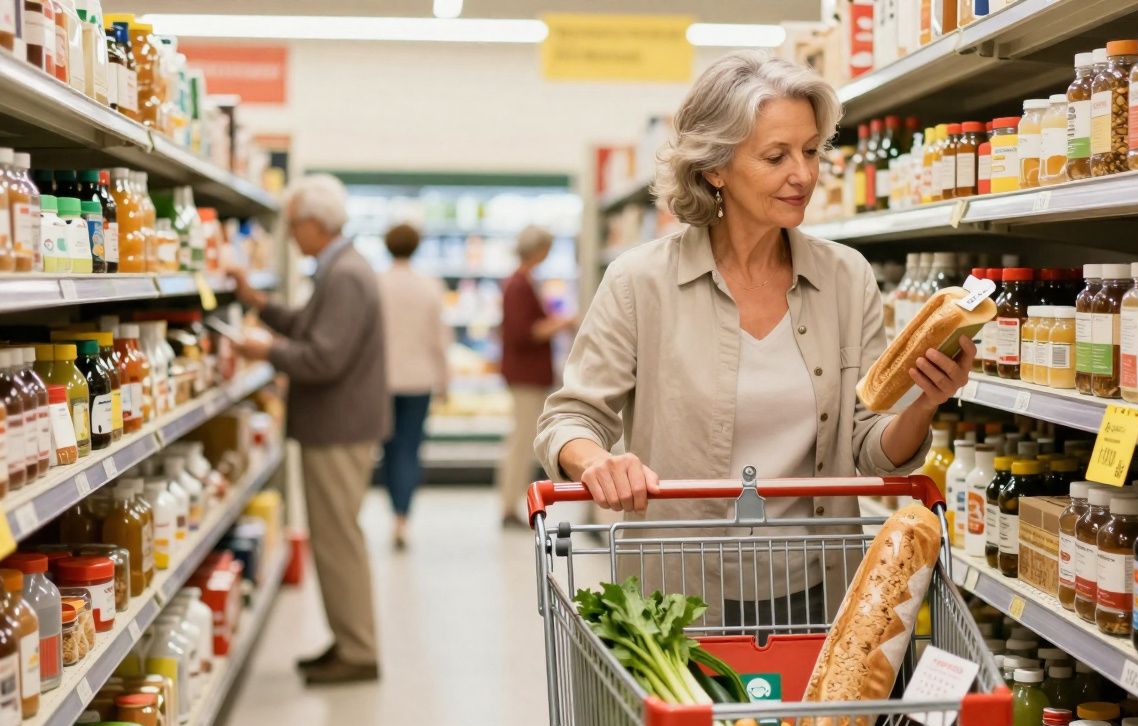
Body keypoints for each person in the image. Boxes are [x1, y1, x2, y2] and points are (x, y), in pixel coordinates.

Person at [534, 51, 973, 628]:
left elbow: (869, 447)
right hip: (680, 598)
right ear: (715, 167)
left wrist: (923, 403)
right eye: (776, 156)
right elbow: (567, 418)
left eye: (811, 151)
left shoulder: (846, 278)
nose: (804, 175)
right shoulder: (640, 281)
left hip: (819, 590)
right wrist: (596, 462)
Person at [229, 173, 387, 685]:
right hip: (338, 426)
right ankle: (348, 640)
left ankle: (358, 651)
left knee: (337, 541)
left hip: (339, 429)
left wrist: (266, 351)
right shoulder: (340, 268)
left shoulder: (345, 275)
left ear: (316, 224)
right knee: (335, 538)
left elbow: (324, 357)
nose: (291, 235)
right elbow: (312, 327)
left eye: (294, 224)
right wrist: (259, 303)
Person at [378, 222, 451, 550]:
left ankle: (394, 510)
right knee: (410, 448)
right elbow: (439, 338)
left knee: (388, 449)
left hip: (383, 380)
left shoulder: (377, 283)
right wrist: (444, 380)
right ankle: (402, 518)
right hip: (420, 380)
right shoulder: (429, 286)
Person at [498, 225, 573, 527]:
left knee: (523, 439)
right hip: (525, 375)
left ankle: (512, 502)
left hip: (527, 374)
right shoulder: (519, 285)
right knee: (521, 441)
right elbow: (523, 332)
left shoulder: (524, 281)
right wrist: (561, 323)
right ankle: (509, 506)